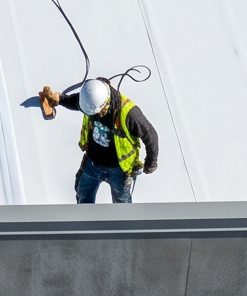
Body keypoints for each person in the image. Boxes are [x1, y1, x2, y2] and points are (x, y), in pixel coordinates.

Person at [35, 77, 160, 205]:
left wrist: (151, 162)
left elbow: (150, 135)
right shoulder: (91, 99)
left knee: (122, 203)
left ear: (104, 104)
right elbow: (76, 102)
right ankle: (85, 221)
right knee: (83, 195)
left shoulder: (129, 113)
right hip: (93, 163)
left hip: (119, 169)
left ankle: (122, 223)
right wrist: (60, 99)